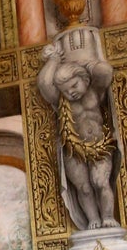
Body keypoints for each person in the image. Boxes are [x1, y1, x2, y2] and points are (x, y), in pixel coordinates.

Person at [37, 41, 119, 232]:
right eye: (66, 90)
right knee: (84, 188)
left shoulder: (95, 92)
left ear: (84, 79)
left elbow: (105, 71)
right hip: (73, 149)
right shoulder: (61, 101)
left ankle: (108, 217)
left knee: (101, 182)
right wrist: (54, 59)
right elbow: (44, 83)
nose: (71, 92)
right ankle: (92, 220)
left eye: (74, 85)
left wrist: (84, 62)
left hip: (99, 144)